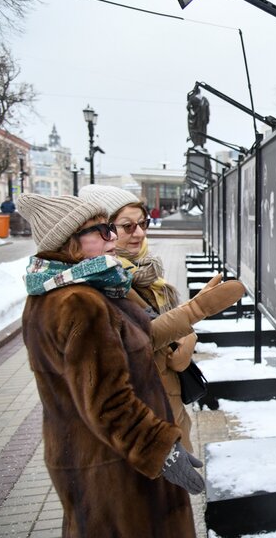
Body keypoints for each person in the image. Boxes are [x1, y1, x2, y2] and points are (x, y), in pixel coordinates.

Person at [17, 193, 203, 536]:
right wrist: (159, 448)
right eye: (102, 230)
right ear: (69, 242)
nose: (113, 237)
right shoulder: (79, 302)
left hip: (93, 460)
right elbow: (108, 400)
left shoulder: (57, 293)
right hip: (119, 474)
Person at [81, 184, 203, 450]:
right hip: (144, 419)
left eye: (142, 223)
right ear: (104, 229)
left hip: (168, 400)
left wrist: (188, 337)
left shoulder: (145, 272)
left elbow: (166, 323)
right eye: (127, 226)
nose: (138, 233)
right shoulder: (103, 282)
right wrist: (195, 312)